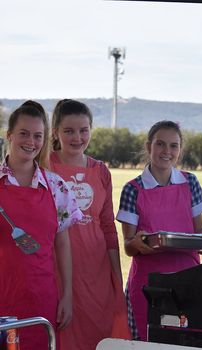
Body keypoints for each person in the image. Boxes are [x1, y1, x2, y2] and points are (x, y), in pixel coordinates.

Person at [116, 120, 202, 341]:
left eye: (173, 146)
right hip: (148, 286)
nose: (167, 151)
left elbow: (200, 231)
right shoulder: (132, 189)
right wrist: (138, 243)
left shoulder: (191, 182)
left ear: (180, 149)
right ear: (149, 146)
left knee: (184, 342)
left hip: (188, 281)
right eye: (160, 144)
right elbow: (129, 246)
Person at [0, 101, 82, 350]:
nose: (31, 141)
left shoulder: (56, 186)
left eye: (38, 136)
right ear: (10, 135)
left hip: (42, 298)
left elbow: (62, 243)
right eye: (24, 134)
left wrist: (66, 296)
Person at [49, 99, 130, 350]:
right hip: (57, 271)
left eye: (84, 130)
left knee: (99, 339)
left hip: (97, 273)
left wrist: (116, 280)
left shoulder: (101, 171)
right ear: (55, 132)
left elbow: (108, 227)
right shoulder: (44, 167)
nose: (77, 137)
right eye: (69, 131)